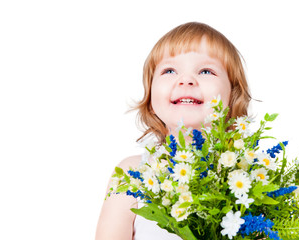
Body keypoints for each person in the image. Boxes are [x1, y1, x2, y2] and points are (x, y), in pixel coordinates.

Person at [95, 21, 252, 240]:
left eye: (206, 71)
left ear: (232, 94)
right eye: (169, 70)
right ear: (150, 96)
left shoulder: (249, 178)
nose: (186, 80)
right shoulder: (132, 173)